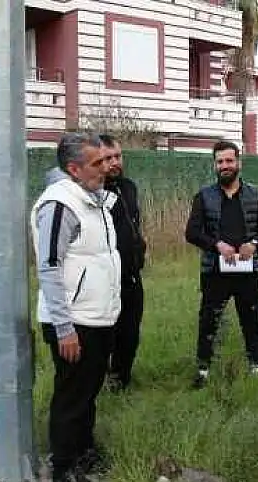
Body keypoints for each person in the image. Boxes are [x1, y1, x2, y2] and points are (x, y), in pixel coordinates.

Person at [31, 132, 121, 482]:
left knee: (88, 391)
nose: (105, 168)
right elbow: (49, 268)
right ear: (74, 168)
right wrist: (65, 328)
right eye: (97, 163)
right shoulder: (59, 204)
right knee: (71, 396)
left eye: (104, 160)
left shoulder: (95, 200)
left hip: (97, 317)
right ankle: (64, 471)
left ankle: (84, 453)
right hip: (72, 323)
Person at [184, 140, 258, 388]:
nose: (225, 166)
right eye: (220, 162)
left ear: (239, 162)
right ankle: (203, 370)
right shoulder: (203, 196)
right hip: (215, 271)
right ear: (215, 165)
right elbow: (191, 232)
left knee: (251, 319)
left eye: (229, 161)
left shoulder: (256, 194)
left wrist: (255, 244)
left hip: (248, 271)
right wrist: (217, 245)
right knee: (209, 320)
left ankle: (256, 366)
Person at [98, 134, 148, 392]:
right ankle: (100, 378)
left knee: (130, 331)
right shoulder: (93, 192)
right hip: (106, 278)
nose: (114, 163)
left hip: (132, 274)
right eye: (108, 158)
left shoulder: (129, 187)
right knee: (107, 332)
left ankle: (121, 379)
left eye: (117, 156)